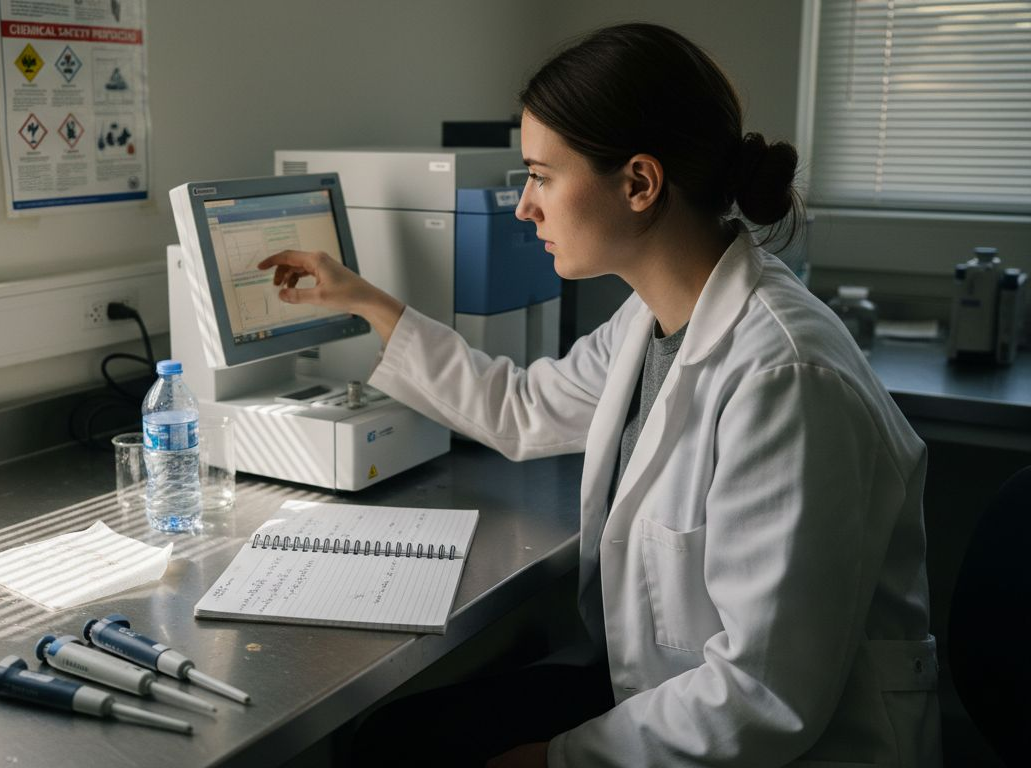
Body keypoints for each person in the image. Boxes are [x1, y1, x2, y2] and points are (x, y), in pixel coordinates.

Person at [259, 22, 939, 768]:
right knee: (395, 739)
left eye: (542, 176)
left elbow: (762, 694)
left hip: (772, 742)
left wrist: (551, 759)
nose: (524, 207)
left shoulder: (784, 377)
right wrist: (364, 300)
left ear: (639, 184)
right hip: (660, 695)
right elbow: (522, 408)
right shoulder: (655, 313)